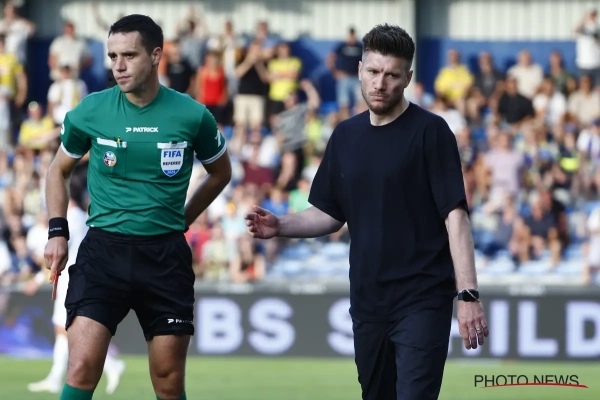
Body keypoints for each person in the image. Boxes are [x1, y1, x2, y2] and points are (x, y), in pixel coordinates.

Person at [245, 24, 489, 400]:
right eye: (373, 71)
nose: (380, 83)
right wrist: (280, 225)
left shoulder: (432, 132)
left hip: (423, 299)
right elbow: (330, 214)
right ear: (359, 70)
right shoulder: (345, 136)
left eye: (392, 75)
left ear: (407, 78)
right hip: (368, 302)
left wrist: (468, 294)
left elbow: (455, 217)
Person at [43, 14, 232, 400]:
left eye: (129, 55)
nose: (119, 65)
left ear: (156, 55)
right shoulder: (91, 110)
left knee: (168, 381)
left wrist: (183, 219)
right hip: (103, 252)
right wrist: (57, 231)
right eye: (113, 56)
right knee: (81, 368)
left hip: (164, 257)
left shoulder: (192, 115)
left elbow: (220, 173)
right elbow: (57, 171)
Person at [24, 190, 126, 395]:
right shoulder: (80, 216)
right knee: (63, 329)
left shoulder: (70, 218)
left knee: (66, 330)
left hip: (70, 278)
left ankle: (109, 364)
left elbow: (57, 253)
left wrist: (37, 279)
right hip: (78, 276)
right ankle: (57, 376)